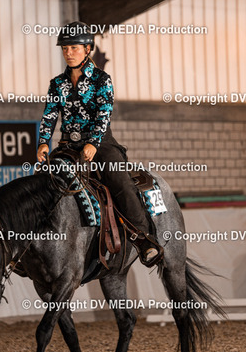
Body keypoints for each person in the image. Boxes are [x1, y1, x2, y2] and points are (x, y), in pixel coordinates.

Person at [36, 21, 162, 267]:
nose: (68, 53)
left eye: (74, 48)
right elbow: (49, 115)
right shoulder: (57, 83)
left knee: (119, 181)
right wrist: (43, 143)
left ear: (87, 49)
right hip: (67, 145)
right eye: (65, 48)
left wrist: (93, 142)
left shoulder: (102, 80)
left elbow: (104, 114)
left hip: (101, 143)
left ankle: (144, 238)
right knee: (44, 178)